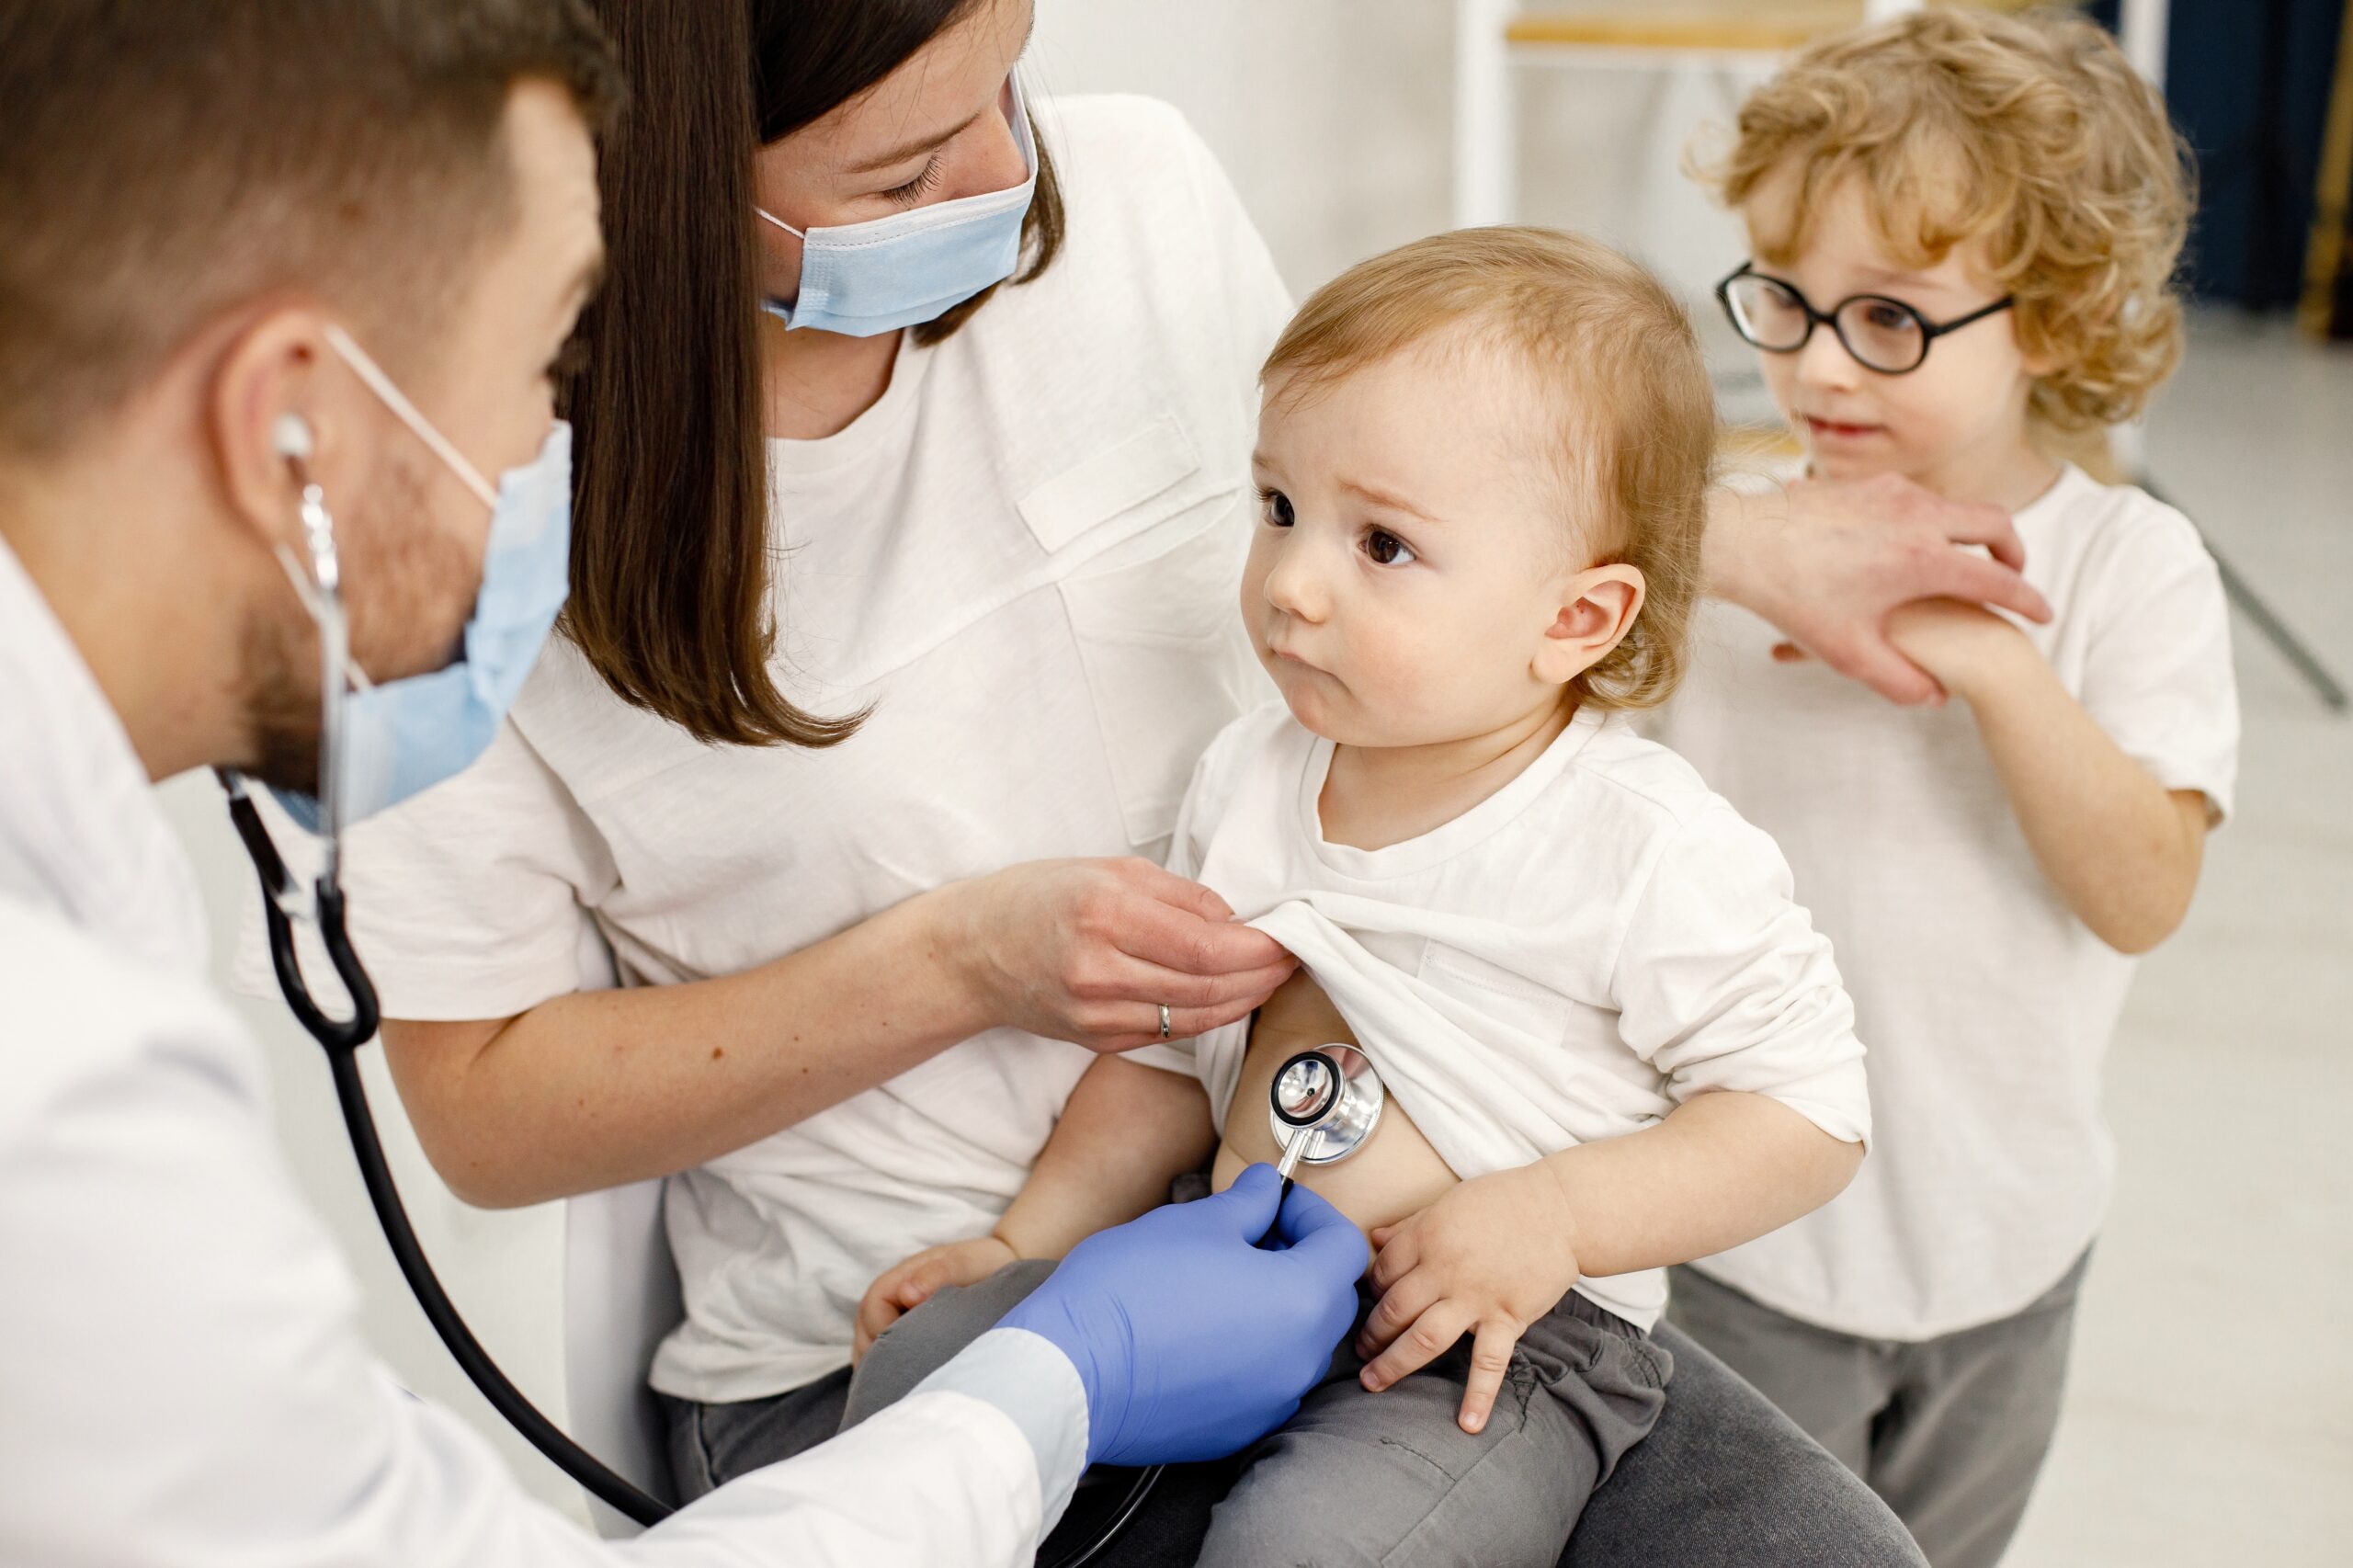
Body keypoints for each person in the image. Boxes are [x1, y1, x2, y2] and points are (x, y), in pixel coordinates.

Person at [216, 4, 1955, 1564]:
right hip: (908, 1313)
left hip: (1411, 1269)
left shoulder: (1133, 197)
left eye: (1011, 82)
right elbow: (487, 1110)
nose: (1006, 177)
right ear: (661, 177)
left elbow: (1437, 505)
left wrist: (1746, 542)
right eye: (905, 163)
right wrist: (958, 973)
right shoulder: (486, 505)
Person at [0, 3, 1369, 1563]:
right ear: (289, 427)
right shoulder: (54, 1092)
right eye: (538, 361)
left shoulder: (74, 983)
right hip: (895, 1343)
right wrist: (1053, 1372)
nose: (549, 452)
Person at [841, 227, 1874, 1568]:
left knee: (1312, 1550)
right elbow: (1167, 1060)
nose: (1293, 584)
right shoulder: (1255, 771)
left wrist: (1555, 1214)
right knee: (930, 1383)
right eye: (1278, 508)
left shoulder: (1645, 850)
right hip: (1218, 1259)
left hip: (1487, 1346)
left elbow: (1810, 1112)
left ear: (1576, 618)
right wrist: (1020, 1240)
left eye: (1382, 543)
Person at [1653, 13, 2240, 1567]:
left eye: (1892, 320)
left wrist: (1995, 665)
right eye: (1787, 298)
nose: (1817, 362)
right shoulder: (1727, 540)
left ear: (2050, 316)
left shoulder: (2132, 569)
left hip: (2009, 1256)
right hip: (1740, 1254)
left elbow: (2143, 889)